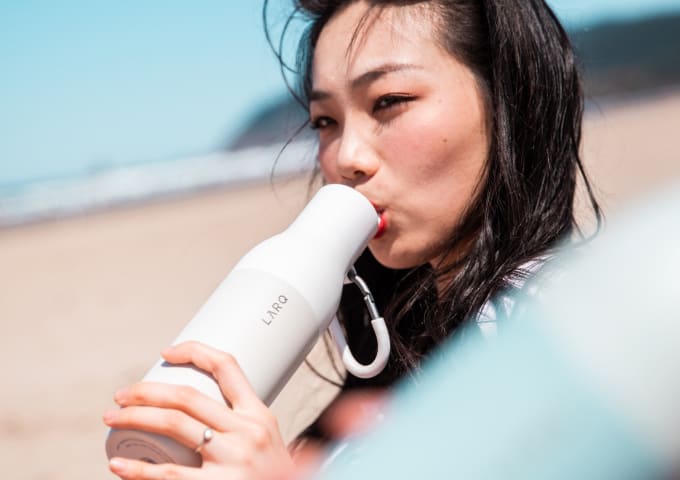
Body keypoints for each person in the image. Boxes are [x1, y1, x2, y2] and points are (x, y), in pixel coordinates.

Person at [103, 1, 601, 478]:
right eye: (326, 122)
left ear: (510, 98)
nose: (347, 157)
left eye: (389, 102)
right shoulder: (431, 343)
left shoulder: (555, 328)